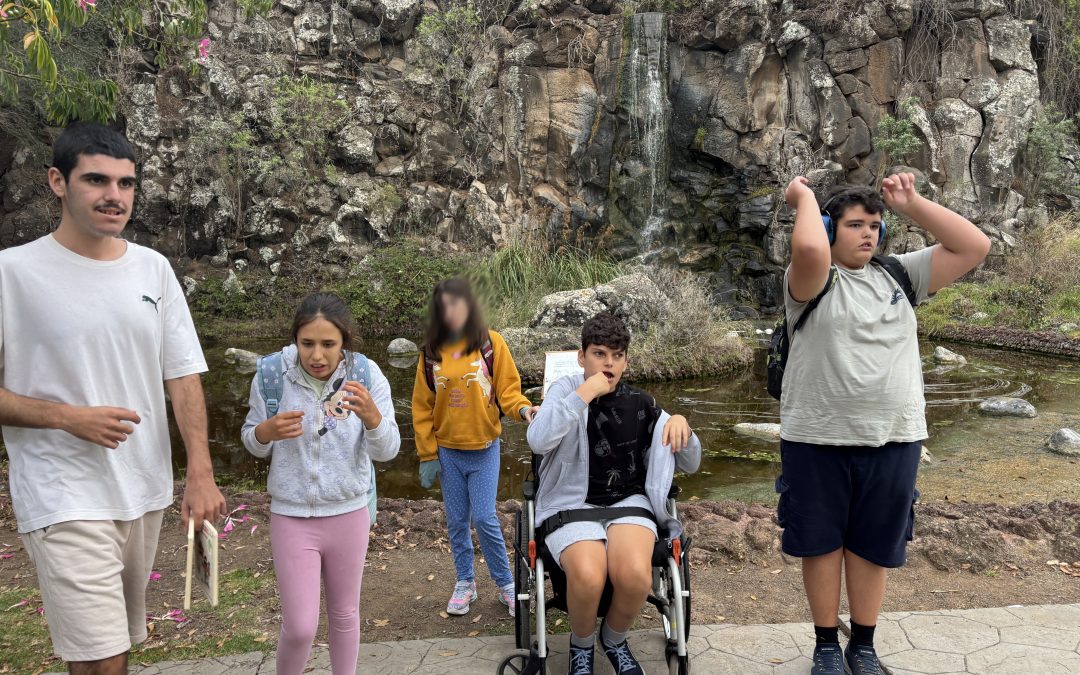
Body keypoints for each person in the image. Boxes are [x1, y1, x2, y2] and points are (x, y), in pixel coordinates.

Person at [0, 122, 227, 675]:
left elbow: (182, 376)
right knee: (101, 660)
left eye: (126, 184)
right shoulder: (12, 274)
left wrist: (200, 471)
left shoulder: (152, 269)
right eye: (97, 180)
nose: (114, 197)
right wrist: (66, 418)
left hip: (142, 489)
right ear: (58, 182)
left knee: (116, 651)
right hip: (62, 494)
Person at [778, 173, 990, 675]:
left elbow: (974, 245)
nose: (868, 233)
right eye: (854, 225)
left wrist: (911, 202)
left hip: (894, 437)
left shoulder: (899, 275)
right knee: (822, 545)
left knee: (872, 546)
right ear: (831, 229)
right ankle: (827, 645)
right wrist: (805, 198)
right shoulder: (812, 278)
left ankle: (864, 646)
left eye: (874, 225)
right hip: (816, 438)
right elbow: (808, 244)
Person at [526, 312, 701, 675]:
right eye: (599, 354)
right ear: (581, 356)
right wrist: (585, 394)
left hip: (628, 503)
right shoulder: (565, 390)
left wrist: (681, 423)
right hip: (570, 503)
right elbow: (538, 439)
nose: (608, 364)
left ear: (626, 360)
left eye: (616, 356)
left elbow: (691, 461)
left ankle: (615, 639)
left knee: (636, 576)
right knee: (589, 575)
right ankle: (582, 646)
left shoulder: (640, 402)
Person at [241, 292, 400, 675]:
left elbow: (389, 450)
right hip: (291, 515)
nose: (317, 355)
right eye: (307, 343)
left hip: (348, 512)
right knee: (299, 626)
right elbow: (251, 441)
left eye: (328, 344)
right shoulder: (270, 375)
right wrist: (265, 432)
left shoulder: (365, 376)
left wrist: (374, 419)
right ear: (295, 339)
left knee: (345, 615)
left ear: (344, 341)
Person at [411, 278, 538, 617]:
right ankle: (465, 582)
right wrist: (427, 454)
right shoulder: (430, 352)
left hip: (484, 449)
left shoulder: (490, 344)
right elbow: (422, 407)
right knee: (456, 521)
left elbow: (508, 391)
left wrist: (525, 409)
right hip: (447, 453)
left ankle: (506, 584)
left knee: (484, 517)